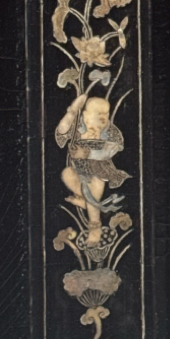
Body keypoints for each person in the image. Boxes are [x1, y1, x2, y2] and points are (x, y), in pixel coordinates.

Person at [56, 93, 128, 247]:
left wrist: (87, 153)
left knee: (94, 185)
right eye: (99, 114)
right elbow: (61, 131)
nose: (104, 118)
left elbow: (113, 149)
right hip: (79, 171)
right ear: (86, 116)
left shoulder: (108, 131)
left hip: (99, 171)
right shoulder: (78, 128)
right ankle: (88, 202)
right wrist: (72, 110)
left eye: (106, 114)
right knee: (66, 174)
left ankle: (95, 228)